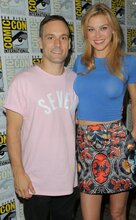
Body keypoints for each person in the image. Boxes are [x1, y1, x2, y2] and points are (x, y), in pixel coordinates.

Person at [73, 3, 136, 220]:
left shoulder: (129, 63)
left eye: (103, 28)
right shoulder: (79, 62)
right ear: (85, 33)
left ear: (114, 30)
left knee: (117, 213)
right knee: (90, 216)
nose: (97, 35)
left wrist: (133, 134)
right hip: (86, 142)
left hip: (116, 141)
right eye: (91, 29)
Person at [4, 15, 78, 220]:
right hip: (35, 183)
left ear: (70, 43)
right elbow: (12, 131)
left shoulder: (76, 81)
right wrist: (18, 173)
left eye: (63, 38)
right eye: (50, 37)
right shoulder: (23, 82)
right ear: (40, 42)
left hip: (68, 181)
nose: (57, 44)